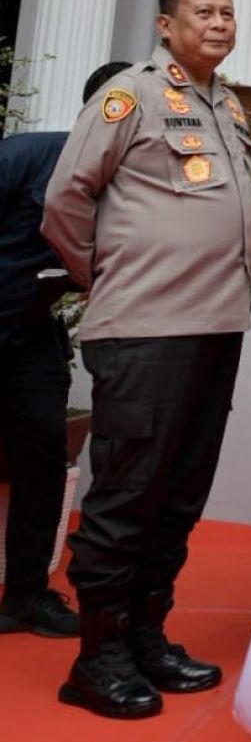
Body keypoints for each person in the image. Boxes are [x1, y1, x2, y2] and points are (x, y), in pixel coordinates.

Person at [41, 0, 251, 719]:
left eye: (228, 12)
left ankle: (146, 636)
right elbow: (66, 199)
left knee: (178, 494)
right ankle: (97, 654)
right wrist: (107, 272)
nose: (220, 22)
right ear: (165, 24)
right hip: (143, 327)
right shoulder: (128, 97)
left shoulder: (227, 104)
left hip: (216, 325)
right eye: (204, 11)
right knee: (127, 492)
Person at [0, 60, 131, 639]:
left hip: (32, 336)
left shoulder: (131, 190)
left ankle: (26, 594)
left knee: (43, 459)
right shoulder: (23, 156)